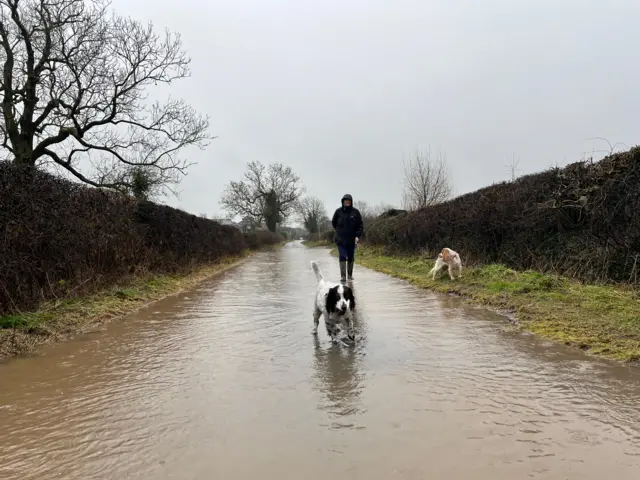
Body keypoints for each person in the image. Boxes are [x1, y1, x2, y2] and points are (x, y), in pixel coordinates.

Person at [331, 193, 364, 282]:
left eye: (349, 201)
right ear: (343, 202)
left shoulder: (355, 212)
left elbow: (360, 225)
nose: (347, 203)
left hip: (352, 240)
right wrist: (339, 231)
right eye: (346, 201)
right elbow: (334, 222)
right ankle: (343, 276)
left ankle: (349, 275)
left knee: (350, 257)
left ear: (351, 202)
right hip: (341, 239)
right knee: (342, 256)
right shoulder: (338, 212)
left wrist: (357, 235)